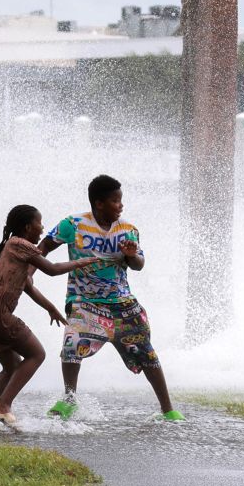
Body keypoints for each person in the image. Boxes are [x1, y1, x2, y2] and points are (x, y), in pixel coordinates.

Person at [40, 174, 184, 421]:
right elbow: (42, 249)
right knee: (72, 343)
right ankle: (69, 400)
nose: (121, 205)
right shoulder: (72, 225)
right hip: (84, 301)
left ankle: (167, 409)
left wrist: (130, 255)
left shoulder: (128, 230)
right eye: (116, 201)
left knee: (147, 354)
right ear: (99, 203)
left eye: (121, 201)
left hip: (122, 304)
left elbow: (139, 265)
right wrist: (27, 273)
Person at [0, 204, 100, 430]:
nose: (42, 227)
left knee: (11, 366)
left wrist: (50, 308)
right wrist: (80, 262)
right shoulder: (21, 244)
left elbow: (28, 286)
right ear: (28, 227)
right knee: (37, 354)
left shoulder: (11, 248)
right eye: (39, 223)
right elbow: (52, 268)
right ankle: (2, 404)